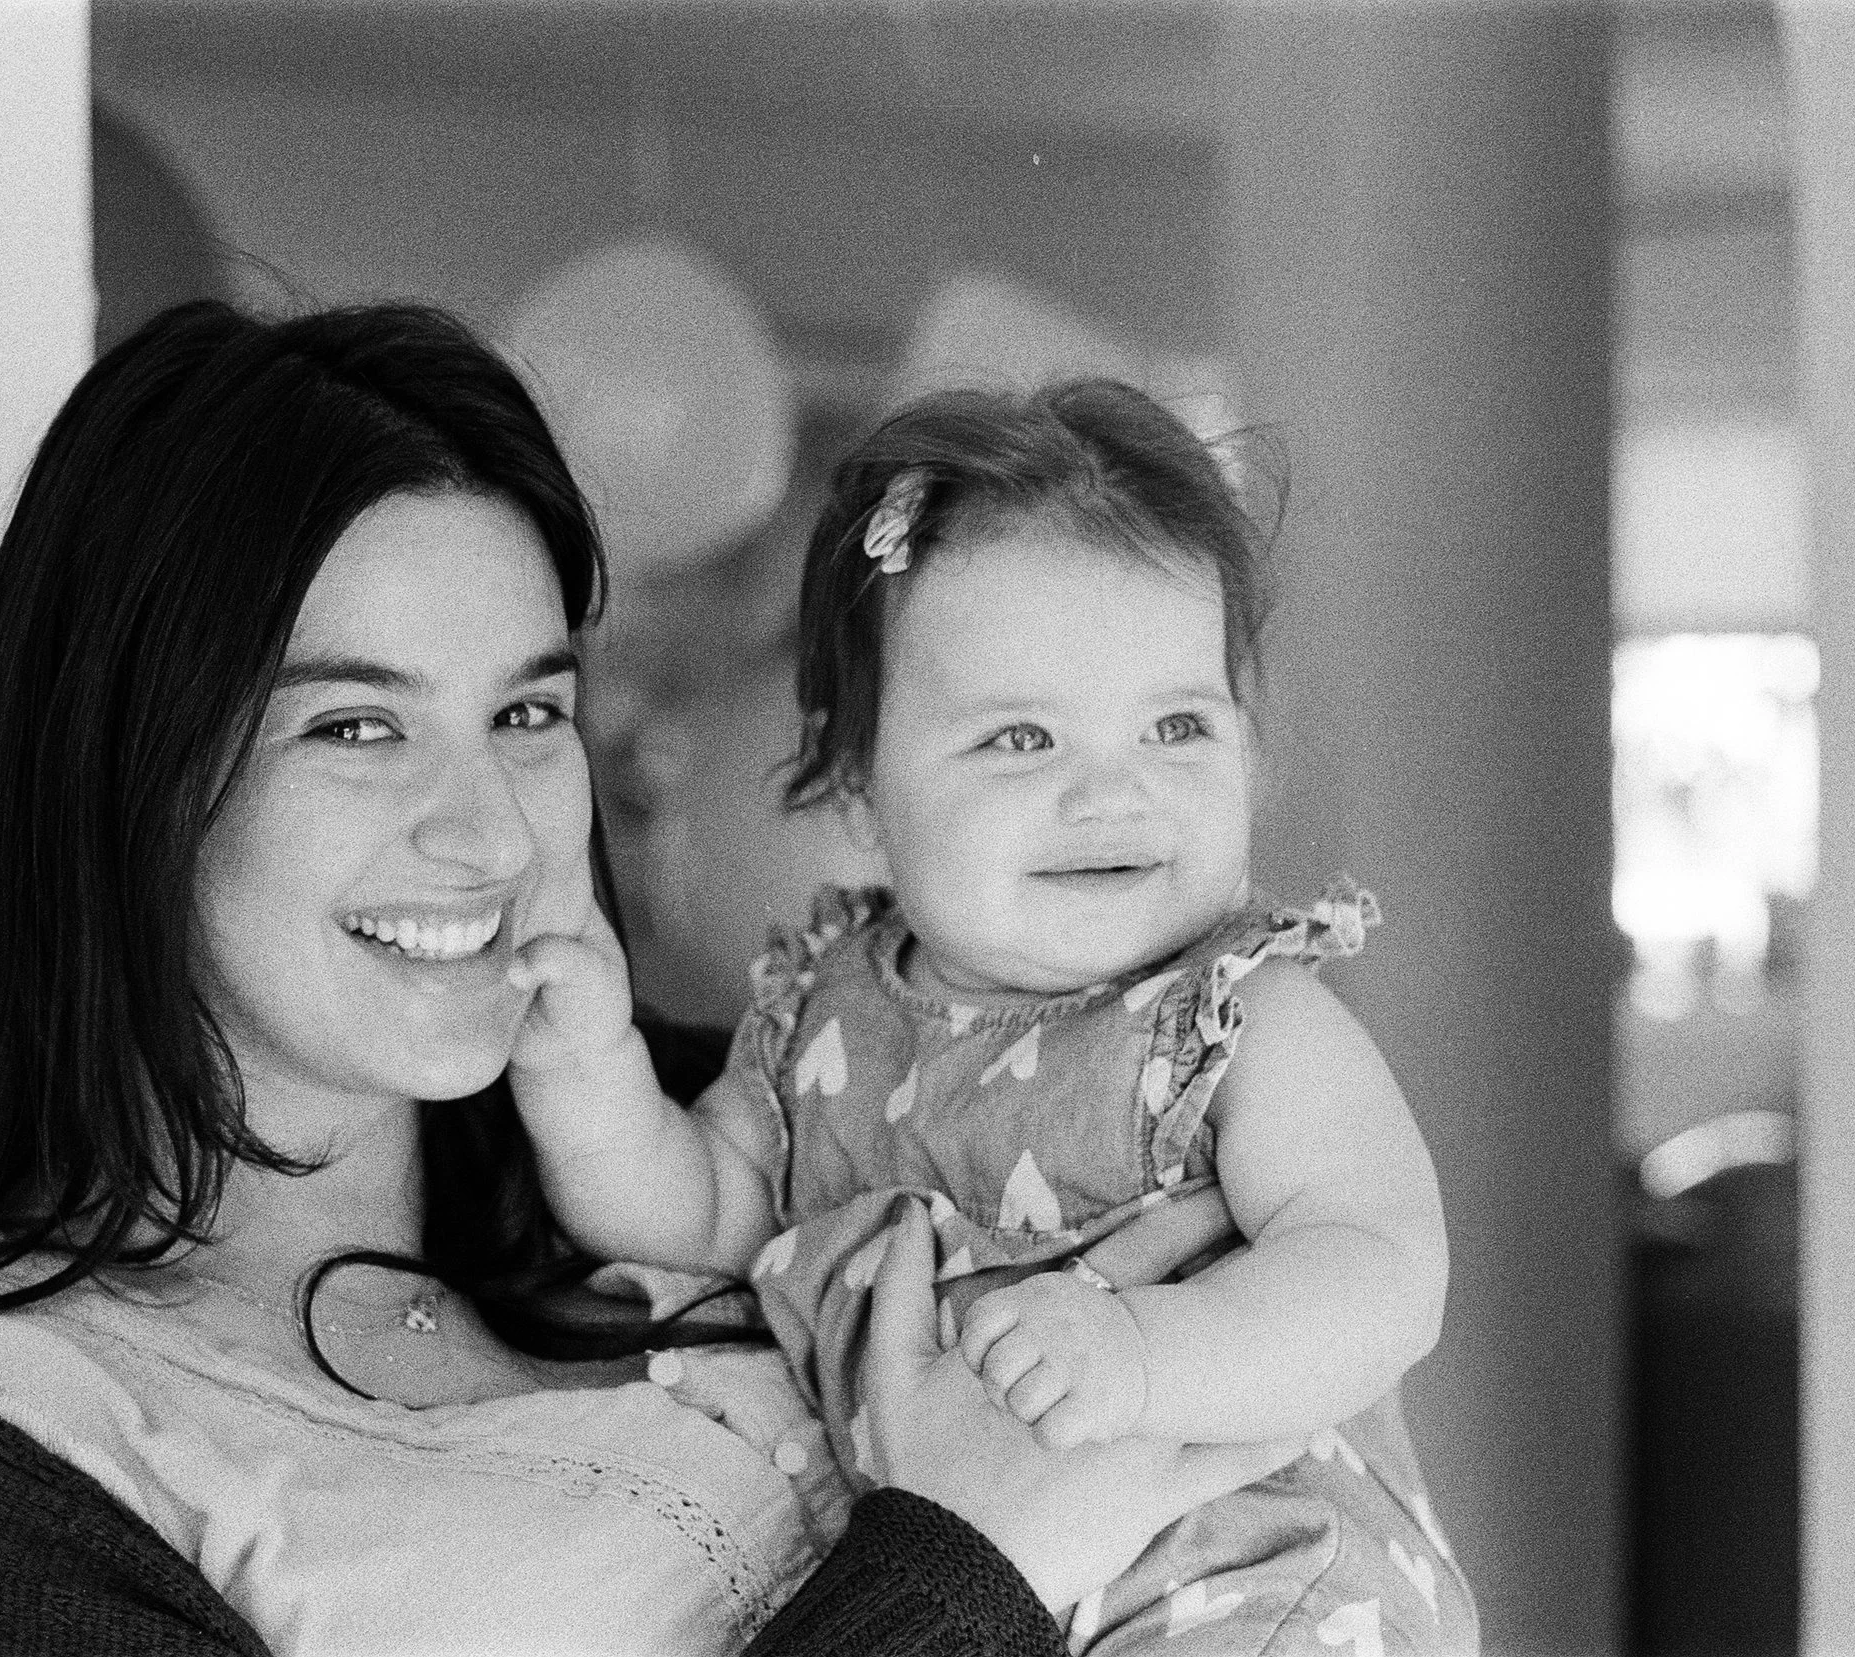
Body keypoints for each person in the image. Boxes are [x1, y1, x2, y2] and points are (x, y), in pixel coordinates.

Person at [0, 305, 1295, 1656]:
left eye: (528, 716)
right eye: (356, 726)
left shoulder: (762, 1131)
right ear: (122, 779)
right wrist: (962, 1569)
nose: (486, 832)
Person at [504, 383, 1478, 1653]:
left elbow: (1383, 1269)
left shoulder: (1233, 1017)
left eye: (1177, 723)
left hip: (1249, 1589)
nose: (1112, 789)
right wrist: (584, 1070)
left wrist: (1138, 1348)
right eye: (1023, 738)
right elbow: (699, 1215)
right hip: (961, 1605)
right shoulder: (820, 1013)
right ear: (855, 790)